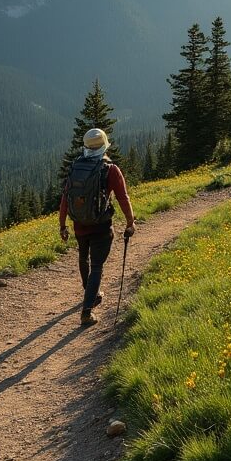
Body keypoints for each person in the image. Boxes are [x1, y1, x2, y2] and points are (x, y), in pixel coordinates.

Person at [58, 128, 136, 326]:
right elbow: (122, 198)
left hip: (79, 225)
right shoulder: (110, 169)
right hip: (100, 226)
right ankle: (87, 310)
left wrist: (62, 226)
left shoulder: (77, 166)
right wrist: (130, 221)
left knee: (83, 257)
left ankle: (89, 291)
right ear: (105, 145)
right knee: (97, 266)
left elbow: (65, 198)